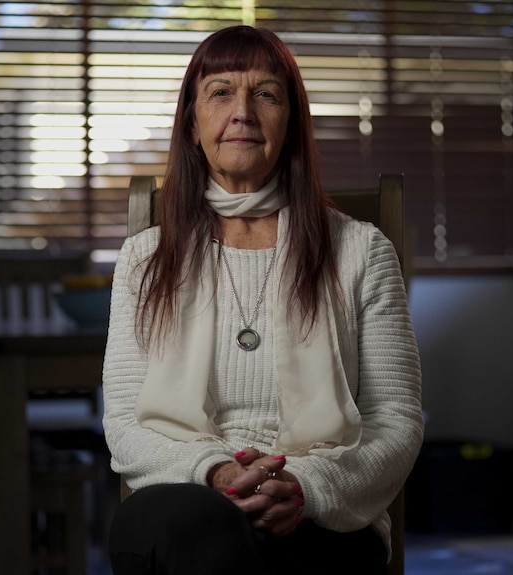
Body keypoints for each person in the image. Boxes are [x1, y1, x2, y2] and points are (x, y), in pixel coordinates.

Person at [101, 24, 423, 575]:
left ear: (291, 122)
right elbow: (126, 426)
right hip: (187, 495)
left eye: (266, 94)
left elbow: (396, 421)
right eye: (221, 92)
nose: (243, 112)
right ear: (192, 119)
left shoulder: (362, 252)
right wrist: (217, 474)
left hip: (323, 510)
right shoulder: (144, 259)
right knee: (194, 533)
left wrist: (304, 486)